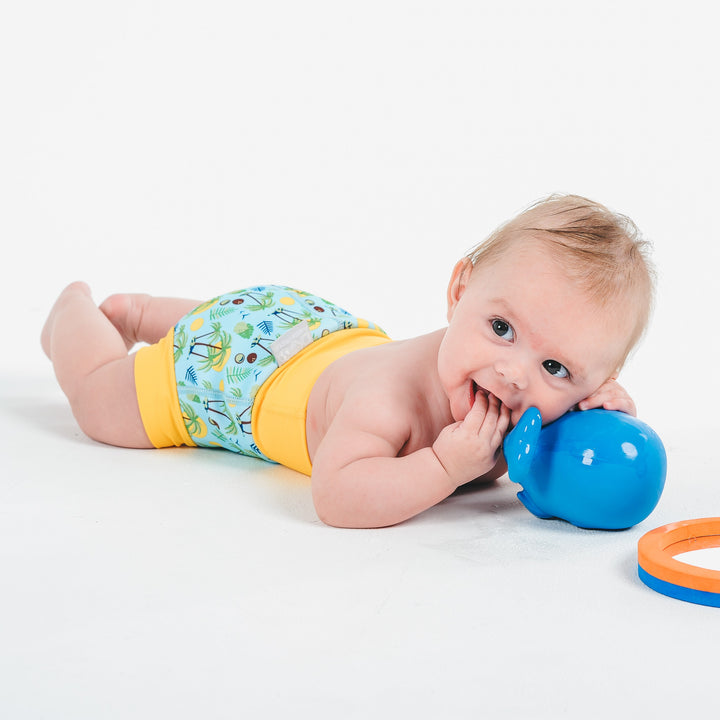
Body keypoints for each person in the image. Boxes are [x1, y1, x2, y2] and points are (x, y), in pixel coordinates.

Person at [41, 194, 655, 529]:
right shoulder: (386, 402)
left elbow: (573, 457)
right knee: (103, 404)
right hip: (231, 379)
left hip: (302, 328)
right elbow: (336, 496)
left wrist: (599, 416)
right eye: (501, 328)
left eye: (557, 370)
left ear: (594, 382)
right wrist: (443, 465)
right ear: (458, 292)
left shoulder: (528, 404)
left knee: (219, 323)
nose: (515, 372)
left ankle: (146, 311)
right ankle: (80, 315)